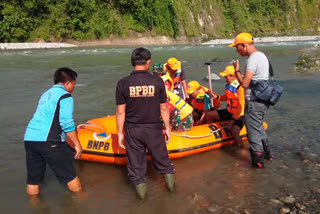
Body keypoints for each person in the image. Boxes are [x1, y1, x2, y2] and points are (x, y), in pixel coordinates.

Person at [116, 47, 176, 200]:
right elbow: (164, 108)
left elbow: (121, 112)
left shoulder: (123, 83)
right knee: (164, 163)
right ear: (148, 63)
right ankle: (173, 194)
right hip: (154, 129)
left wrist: (119, 133)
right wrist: (167, 128)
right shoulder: (157, 81)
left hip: (133, 130)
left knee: (136, 169)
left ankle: (142, 202)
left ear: (132, 62)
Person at [24, 67, 83, 195]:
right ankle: (81, 203)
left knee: (33, 180)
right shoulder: (65, 96)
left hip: (30, 138)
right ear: (68, 83)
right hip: (50, 140)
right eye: (74, 83)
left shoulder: (46, 94)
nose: (74, 86)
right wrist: (77, 144)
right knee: (70, 175)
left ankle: (35, 206)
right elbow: (66, 122)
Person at [230, 32, 273, 168]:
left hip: (255, 102)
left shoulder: (252, 59)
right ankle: (268, 155)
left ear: (243, 45)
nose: (237, 51)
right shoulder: (263, 56)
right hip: (264, 100)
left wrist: (237, 71)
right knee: (259, 127)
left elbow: (244, 83)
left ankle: (258, 165)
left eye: (237, 47)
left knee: (253, 134)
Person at [205, 65, 245, 147]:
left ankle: (242, 148)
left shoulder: (240, 87)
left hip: (239, 115)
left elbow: (241, 107)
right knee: (209, 114)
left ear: (233, 76)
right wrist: (217, 97)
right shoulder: (229, 85)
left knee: (234, 131)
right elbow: (227, 97)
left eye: (226, 77)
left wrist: (232, 121)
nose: (225, 78)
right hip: (229, 111)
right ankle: (212, 135)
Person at [153, 64, 194, 132]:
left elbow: (176, 112)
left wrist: (169, 128)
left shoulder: (164, 96)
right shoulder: (165, 86)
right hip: (184, 115)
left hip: (185, 121)